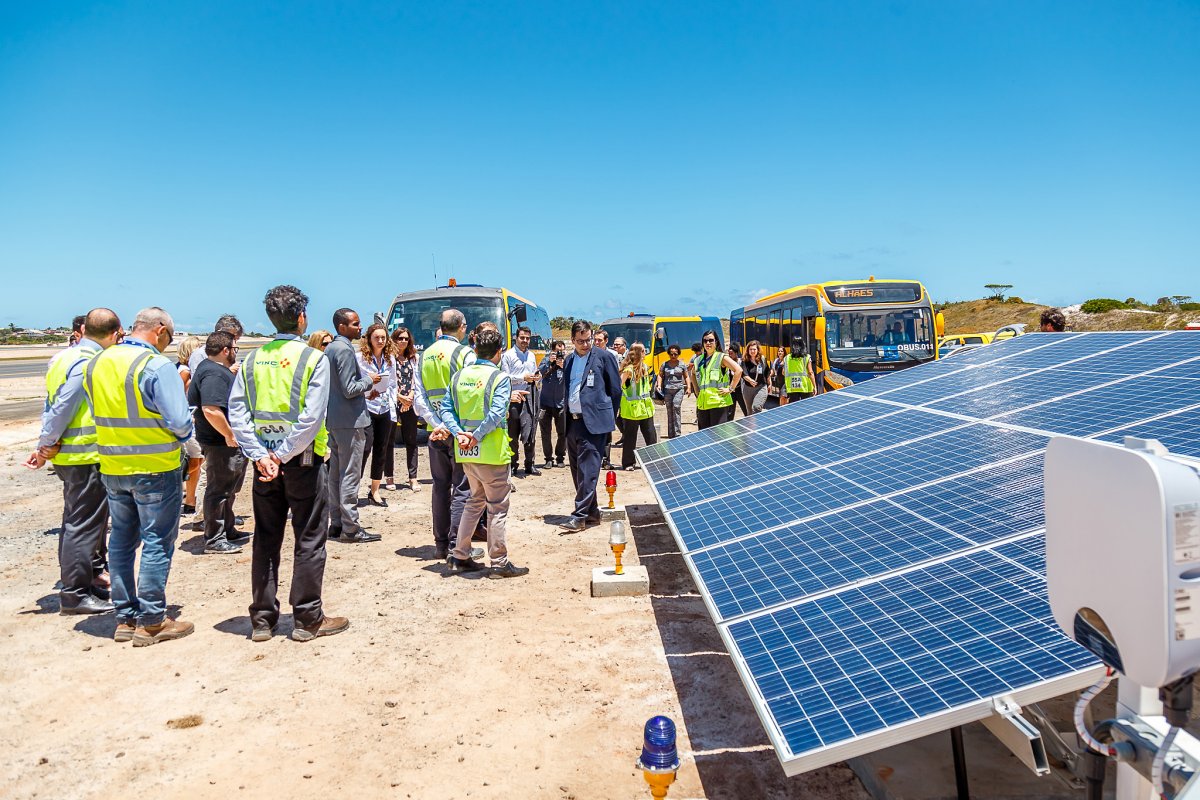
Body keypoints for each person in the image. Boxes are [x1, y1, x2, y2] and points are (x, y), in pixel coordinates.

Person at [228, 285, 348, 643]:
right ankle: (307, 618)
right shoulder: (314, 359)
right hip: (303, 462)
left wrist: (261, 455)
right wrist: (281, 454)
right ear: (301, 319)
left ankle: (262, 619)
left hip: (264, 463)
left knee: (266, 538)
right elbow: (312, 418)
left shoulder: (251, 360)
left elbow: (238, 413)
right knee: (309, 538)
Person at [83, 307, 194, 646]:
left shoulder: (96, 363)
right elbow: (179, 422)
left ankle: (125, 617)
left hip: (113, 467)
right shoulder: (156, 365)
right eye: (170, 338)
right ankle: (152, 619)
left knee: (120, 543)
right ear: (160, 330)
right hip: (156, 468)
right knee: (157, 541)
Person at [24, 307, 122, 615]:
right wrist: (45, 444)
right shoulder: (88, 362)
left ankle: (82, 585)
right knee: (83, 526)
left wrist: (47, 441)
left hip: (71, 454)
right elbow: (65, 404)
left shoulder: (64, 357)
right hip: (84, 454)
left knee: (75, 523)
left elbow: (50, 403)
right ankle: (75, 594)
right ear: (113, 333)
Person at [438, 327, 529, 578]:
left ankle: (460, 555)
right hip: (491, 452)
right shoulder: (499, 378)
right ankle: (499, 562)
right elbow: (497, 413)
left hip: (467, 452)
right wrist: (475, 436)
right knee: (497, 507)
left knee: (474, 501)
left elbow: (446, 410)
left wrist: (460, 434)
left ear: (475, 349)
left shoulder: (458, 376)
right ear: (499, 351)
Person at [412, 309, 478, 560]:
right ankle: (456, 545)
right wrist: (453, 427)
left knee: (440, 487)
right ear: (461, 327)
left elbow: (419, 397)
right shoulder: (465, 353)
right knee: (462, 489)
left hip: (434, 431)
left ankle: (440, 544)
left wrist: (436, 423)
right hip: (460, 431)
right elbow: (472, 392)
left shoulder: (425, 355)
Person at [559, 321, 623, 533]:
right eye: (580, 341)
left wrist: (607, 418)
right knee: (578, 471)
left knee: (589, 471)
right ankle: (592, 511)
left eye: (588, 339)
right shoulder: (568, 360)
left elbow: (615, 390)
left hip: (595, 424)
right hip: (573, 421)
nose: (585, 344)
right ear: (572, 340)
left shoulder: (604, 357)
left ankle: (579, 516)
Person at [324, 308, 381, 544]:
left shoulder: (329, 349)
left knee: (335, 475)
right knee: (350, 474)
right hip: (351, 421)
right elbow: (349, 389)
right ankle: (351, 527)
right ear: (342, 327)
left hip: (335, 420)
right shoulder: (345, 350)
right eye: (356, 324)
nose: (360, 328)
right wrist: (369, 381)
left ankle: (336, 523)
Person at [189, 331, 249, 554]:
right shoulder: (213, 373)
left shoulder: (212, 369)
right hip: (219, 442)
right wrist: (229, 434)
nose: (235, 353)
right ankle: (214, 538)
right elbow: (211, 409)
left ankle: (228, 528)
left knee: (228, 488)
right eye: (235, 349)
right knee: (219, 489)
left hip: (220, 440)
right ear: (225, 350)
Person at [357, 323, 397, 507]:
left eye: (383, 337)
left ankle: (375, 491)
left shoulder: (390, 359)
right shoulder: (360, 358)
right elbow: (355, 384)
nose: (381, 341)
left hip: (385, 408)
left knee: (381, 450)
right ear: (369, 339)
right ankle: (352, 489)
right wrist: (367, 392)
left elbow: (394, 383)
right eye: (377, 338)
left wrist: (392, 400)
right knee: (364, 449)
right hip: (367, 407)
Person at [500, 325, 541, 477]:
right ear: (516, 338)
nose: (525, 341)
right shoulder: (508, 355)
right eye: (522, 338)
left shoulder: (531, 355)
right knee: (513, 433)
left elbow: (535, 371)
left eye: (527, 338)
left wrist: (537, 376)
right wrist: (522, 377)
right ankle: (513, 465)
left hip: (529, 396)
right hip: (514, 397)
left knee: (530, 432)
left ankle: (530, 464)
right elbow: (504, 376)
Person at [388, 327, 420, 492]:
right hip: (393, 402)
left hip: (410, 402)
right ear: (394, 339)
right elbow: (389, 382)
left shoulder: (414, 358)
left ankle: (413, 478)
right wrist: (399, 397)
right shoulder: (389, 358)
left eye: (406, 338)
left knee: (411, 441)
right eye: (400, 338)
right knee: (389, 441)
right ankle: (389, 477)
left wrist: (410, 397)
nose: (403, 341)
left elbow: (416, 380)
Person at [176, 335, 204, 516]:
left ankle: (190, 499)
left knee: (196, 460)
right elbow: (178, 395)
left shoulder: (183, 369)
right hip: (188, 420)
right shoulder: (185, 371)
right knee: (196, 459)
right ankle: (188, 499)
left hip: (189, 419)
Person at [619, 343, 658, 469]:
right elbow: (618, 385)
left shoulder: (645, 368)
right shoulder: (628, 370)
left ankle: (653, 461)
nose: (645, 353)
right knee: (630, 437)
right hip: (632, 409)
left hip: (645, 408)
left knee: (651, 435)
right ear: (637, 353)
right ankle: (628, 463)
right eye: (643, 351)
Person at [693, 329, 742, 429]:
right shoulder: (698, 360)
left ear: (716, 342)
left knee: (717, 437)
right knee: (704, 438)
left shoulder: (721, 357)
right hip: (703, 405)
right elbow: (692, 374)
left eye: (711, 340)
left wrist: (730, 389)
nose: (708, 343)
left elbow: (738, 370)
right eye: (705, 341)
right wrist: (696, 390)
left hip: (718, 404)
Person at [537, 339, 567, 468]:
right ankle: (548, 458)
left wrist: (563, 366)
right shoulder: (546, 360)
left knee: (563, 432)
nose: (560, 353)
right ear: (553, 350)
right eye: (557, 350)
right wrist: (549, 362)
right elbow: (538, 374)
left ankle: (560, 457)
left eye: (562, 350)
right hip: (545, 402)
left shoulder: (568, 362)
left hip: (561, 403)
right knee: (545, 432)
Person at [655, 344, 688, 439]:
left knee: (676, 407)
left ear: (678, 354)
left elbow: (686, 376)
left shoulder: (681, 364)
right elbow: (660, 375)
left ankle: (677, 433)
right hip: (667, 390)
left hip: (678, 389)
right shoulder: (664, 365)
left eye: (675, 354)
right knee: (669, 411)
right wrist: (659, 385)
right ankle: (671, 434)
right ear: (668, 354)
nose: (673, 356)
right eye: (671, 354)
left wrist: (689, 387)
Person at [781, 337, 817, 403]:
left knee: (795, 409)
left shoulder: (787, 358)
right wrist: (815, 386)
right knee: (806, 407)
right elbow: (810, 372)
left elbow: (783, 372)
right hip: (805, 388)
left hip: (792, 388)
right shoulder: (807, 357)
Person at [740, 340, 769, 415]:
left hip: (761, 387)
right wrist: (750, 380)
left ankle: (758, 424)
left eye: (754, 349)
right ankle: (752, 426)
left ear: (758, 350)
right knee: (749, 411)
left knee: (756, 408)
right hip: (748, 389)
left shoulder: (762, 359)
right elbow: (743, 374)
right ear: (748, 350)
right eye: (750, 349)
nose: (752, 351)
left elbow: (767, 372)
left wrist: (770, 383)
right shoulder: (744, 361)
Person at [727, 343, 748, 418]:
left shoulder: (741, 362)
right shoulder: (727, 364)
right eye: (729, 354)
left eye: (731, 354)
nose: (730, 355)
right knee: (730, 412)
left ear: (736, 353)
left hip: (740, 390)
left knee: (745, 409)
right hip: (731, 391)